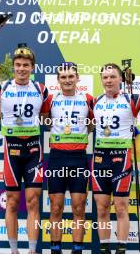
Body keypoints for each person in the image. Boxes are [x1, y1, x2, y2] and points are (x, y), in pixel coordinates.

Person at [0, 44, 48, 254]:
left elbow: (49, 117)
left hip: (33, 150)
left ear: (32, 68)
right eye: (18, 65)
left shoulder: (41, 89)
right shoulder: (1, 88)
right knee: (12, 202)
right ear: (13, 67)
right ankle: (14, 251)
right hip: (11, 150)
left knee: (33, 202)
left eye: (26, 65)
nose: (22, 68)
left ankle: (31, 250)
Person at [92, 63, 140, 254]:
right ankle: (105, 249)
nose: (108, 80)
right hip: (99, 159)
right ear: (101, 80)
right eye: (105, 77)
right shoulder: (95, 101)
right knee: (102, 208)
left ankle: (121, 249)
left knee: (121, 207)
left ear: (121, 79)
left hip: (121, 158)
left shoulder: (132, 99)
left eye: (112, 76)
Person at [43, 62, 93, 254]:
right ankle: (55, 249)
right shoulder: (51, 99)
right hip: (57, 157)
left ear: (78, 78)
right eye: (63, 77)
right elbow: (46, 120)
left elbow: (92, 125)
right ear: (58, 80)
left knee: (79, 208)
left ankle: (77, 249)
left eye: (71, 76)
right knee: (55, 208)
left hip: (79, 157)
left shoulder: (88, 100)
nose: (67, 80)